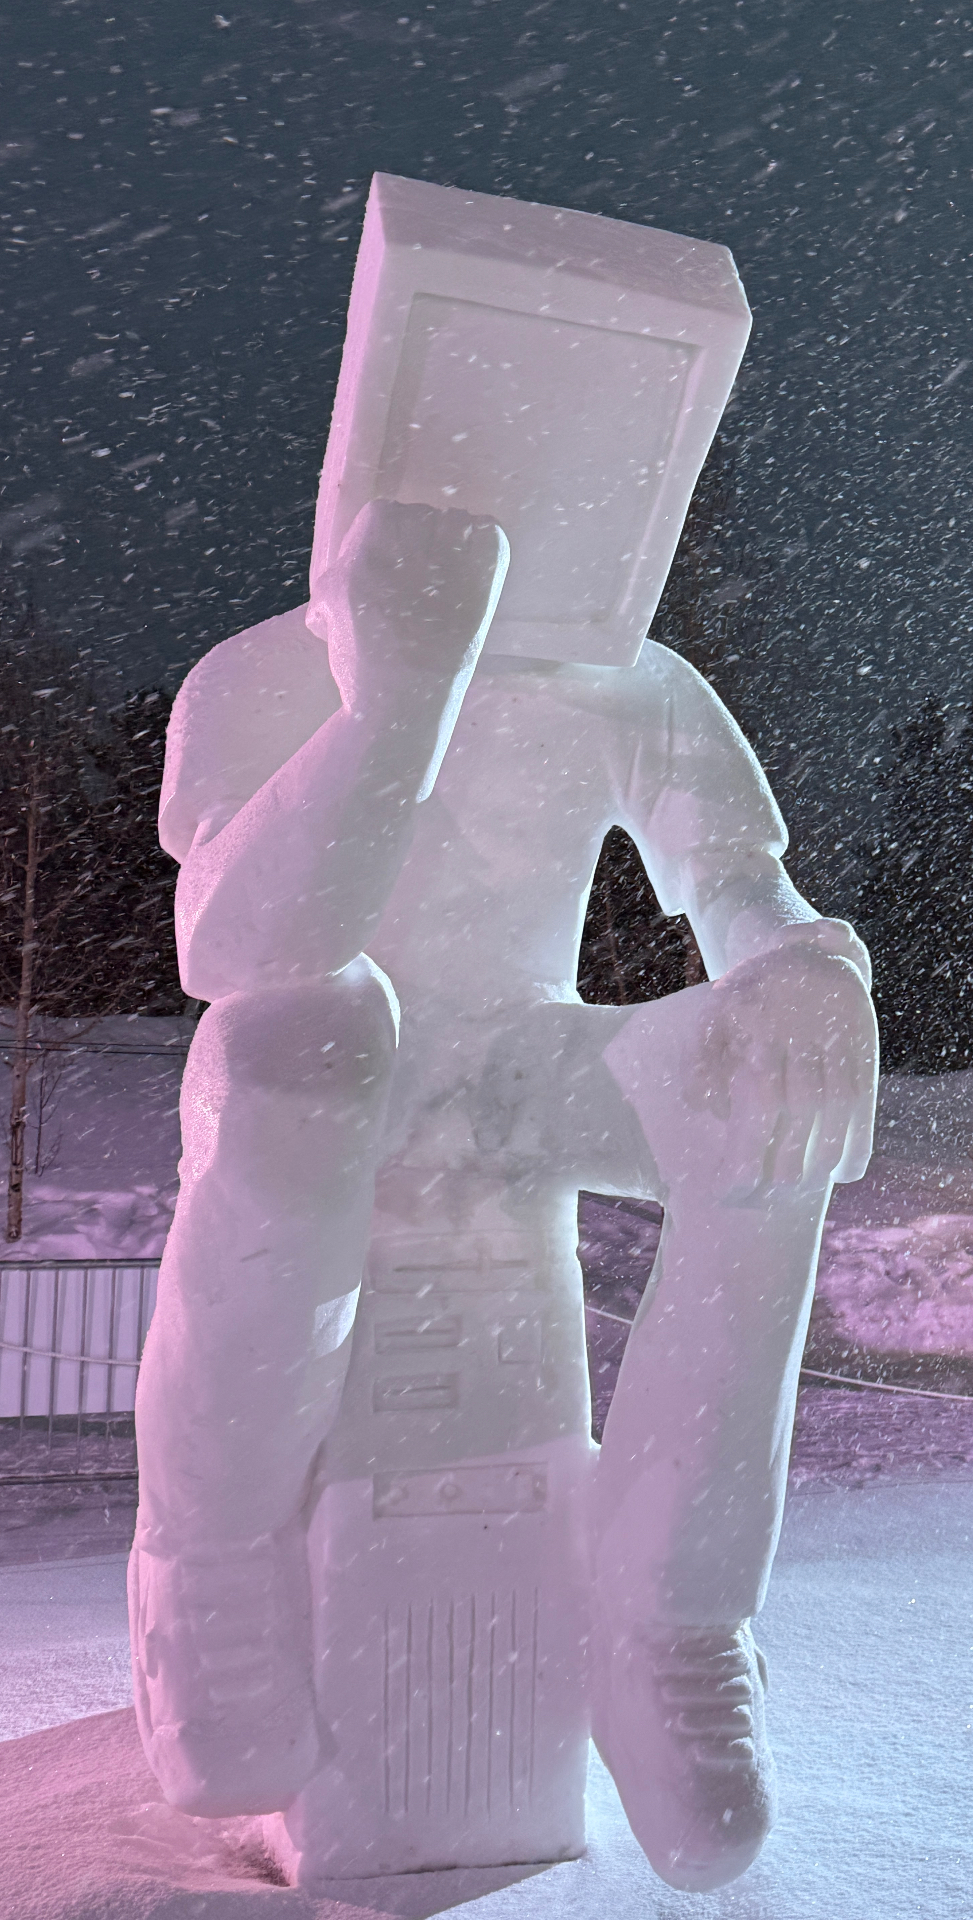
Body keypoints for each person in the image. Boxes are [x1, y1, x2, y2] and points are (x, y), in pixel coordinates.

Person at [130, 499, 877, 1891]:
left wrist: (808, 968)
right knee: (305, 1036)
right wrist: (396, 698)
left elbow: (739, 884)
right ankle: (212, 1557)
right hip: (327, 1073)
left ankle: (671, 1616)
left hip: (524, 1063)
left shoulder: (629, 678)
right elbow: (236, 942)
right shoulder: (262, 675)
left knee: (764, 1083)